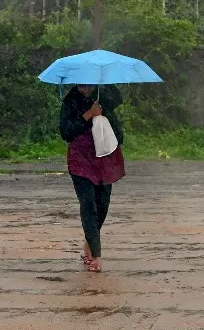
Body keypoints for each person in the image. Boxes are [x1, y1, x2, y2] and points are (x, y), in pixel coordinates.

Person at [59, 84, 126, 273]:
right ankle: (96, 256)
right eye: (81, 84)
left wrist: (100, 109)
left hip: (105, 159)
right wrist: (88, 115)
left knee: (103, 205)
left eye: (88, 84)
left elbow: (118, 132)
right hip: (81, 161)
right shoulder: (70, 101)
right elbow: (66, 132)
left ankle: (89, 242)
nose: (84, 88)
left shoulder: (103, 95)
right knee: (89, 205)